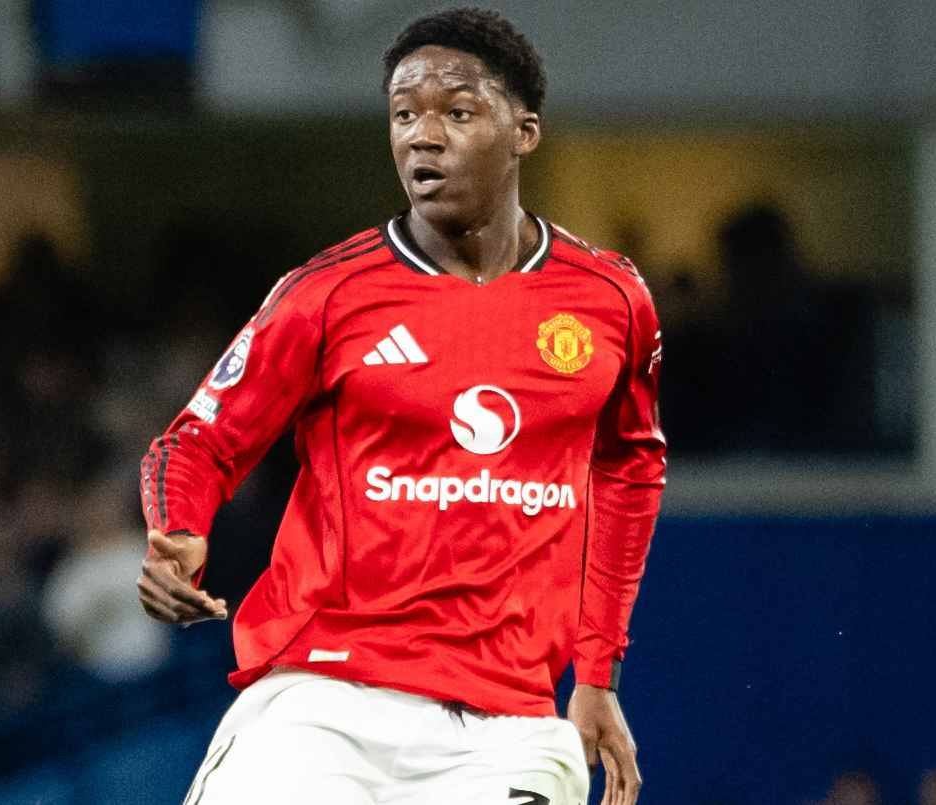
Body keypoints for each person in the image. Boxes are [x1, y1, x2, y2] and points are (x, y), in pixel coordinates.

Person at [137, 8, 665, 804]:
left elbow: (629, 468)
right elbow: (196, 441)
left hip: (508, 723)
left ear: (523, 132)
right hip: (323, 698)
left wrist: (596, 671)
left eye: (457, 112)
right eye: (404, 114)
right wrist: (177, 531)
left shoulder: (612, 299)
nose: (424, 136)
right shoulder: (325, 293)